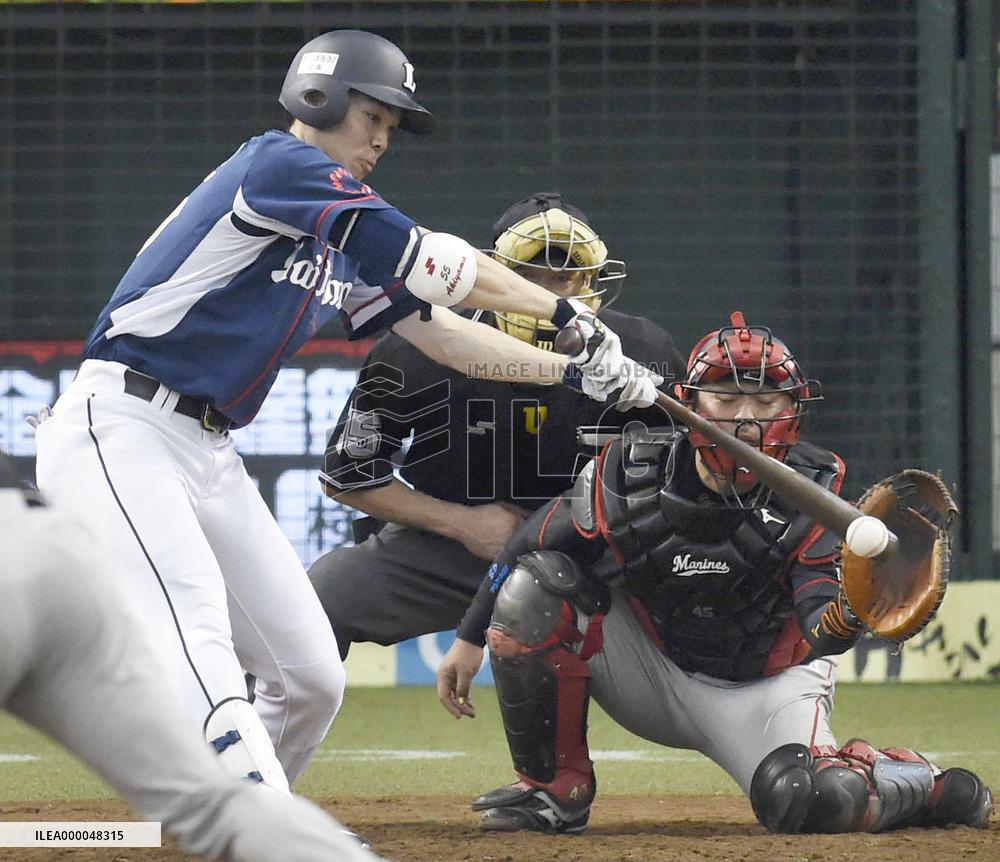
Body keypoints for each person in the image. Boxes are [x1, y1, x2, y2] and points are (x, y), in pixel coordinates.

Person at [30, 29, 659, 792]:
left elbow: (445, 336)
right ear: (319, 97)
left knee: (306, 679)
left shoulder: (335, 232)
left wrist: (574, 371)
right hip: (124, 426)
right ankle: (268, 835)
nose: (382, 139)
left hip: (207, 449)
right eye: (374, 118)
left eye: (391, 127)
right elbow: (439, 265)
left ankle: (225, 823)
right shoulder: (280, 166)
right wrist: (574, 323)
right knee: (199, 634)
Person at [436, 312, 993, 835]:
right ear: (691, 403)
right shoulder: (627, 475)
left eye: (766, 399)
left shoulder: (821, 498)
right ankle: (553, 793)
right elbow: (527, 543)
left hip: (763, 688)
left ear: (793, 410)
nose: (746, 417)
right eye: (726, 396)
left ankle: (928, 785)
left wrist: (849, 614)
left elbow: (819, 627)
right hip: (649, 667)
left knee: (816, 801)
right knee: (535, 585)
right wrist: (467, 638)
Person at [309, 192, 686, 658]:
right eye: (531, 276)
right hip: (452, 552)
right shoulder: (420, 346)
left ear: (594, 280)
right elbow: (347, 475)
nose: (554, 295)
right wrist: (461, 523)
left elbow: (692, 477)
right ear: (498, 276)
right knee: (323, 596)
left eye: (569, 278)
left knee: (710, 578)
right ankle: (259, 726)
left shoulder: (641, 350)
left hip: (599, 552)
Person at [0, 453, 382, 862]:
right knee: (213, 805)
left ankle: (261, 788)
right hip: (47, 540)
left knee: (300, 681)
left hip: (172, 460)